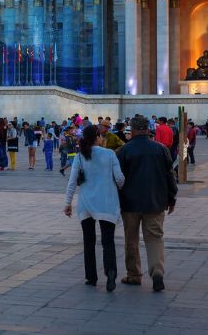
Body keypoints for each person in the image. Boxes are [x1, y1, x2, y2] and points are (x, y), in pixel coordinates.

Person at [116, 115, 177, 292]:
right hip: (156, 202)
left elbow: (118, 179)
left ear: (133, 130)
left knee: (131, 239)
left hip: (130, 203)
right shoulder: (161, 149)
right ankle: (157, 272)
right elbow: (169, 176)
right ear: (148, 129)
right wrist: (171, 198)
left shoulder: (125, 150)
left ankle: (134, 275)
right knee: (155, 238)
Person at [64, 124, 125, 292]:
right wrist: (117, 185)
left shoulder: (80, 156)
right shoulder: (110, 154)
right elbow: (119, 178)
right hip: (107, 202)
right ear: (98, 137)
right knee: (108, 241)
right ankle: (111, 272)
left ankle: (91, 277)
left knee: (88, 242)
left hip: (86, 204)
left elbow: (72, 182)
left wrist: (67, 203)